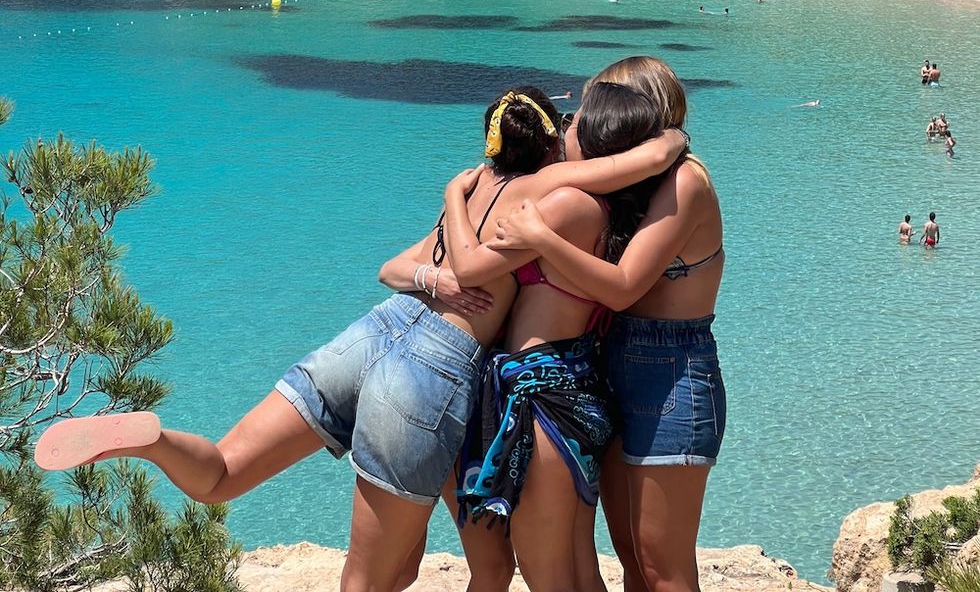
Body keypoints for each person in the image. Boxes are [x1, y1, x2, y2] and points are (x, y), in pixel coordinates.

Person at [34, 88, 687, 592]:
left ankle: (154, 442)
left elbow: (394, 268)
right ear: (546, 143)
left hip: (378, 328)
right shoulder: (545, 191)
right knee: (373, 579)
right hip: (432, 367)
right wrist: (670, 139)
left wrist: (439, 245)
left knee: (224, 476)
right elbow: (638, 163)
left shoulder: (467, 189)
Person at [488, 57, 725, 592]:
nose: (586, 120)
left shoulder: (685, 180)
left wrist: (541, 238)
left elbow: (623, 287)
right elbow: (551, 180)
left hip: (672, 375)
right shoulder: (635, 181)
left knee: (662, 566)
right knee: (631, 556)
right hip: (615, 366)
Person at [441, 82, 686, 592]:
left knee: (548, 575)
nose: (566, 126)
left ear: (593, 138)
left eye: (576, 121)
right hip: (579, 387)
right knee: (580, 569)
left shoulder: (564, 204)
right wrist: (670, 140)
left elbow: (467, 267)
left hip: (541, 396)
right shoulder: (612, 210)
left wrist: (454, 198)